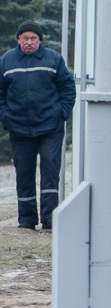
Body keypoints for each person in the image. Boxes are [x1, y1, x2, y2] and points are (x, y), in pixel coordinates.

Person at [0, 21, 76, 231]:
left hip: (50, 127)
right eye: (25, 38)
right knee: (23, 171)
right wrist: (5, 117)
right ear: (19, 40)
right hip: (19, 127)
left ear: (39, 40)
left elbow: (67, 88)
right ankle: (26, 219)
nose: (29, 42)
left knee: (50, 169)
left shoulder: (53, 59)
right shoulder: (7, 61)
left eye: (33, 38)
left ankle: (50, 218)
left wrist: (62, 113)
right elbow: (1, 93)